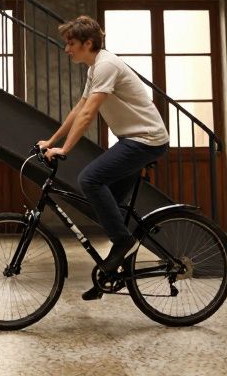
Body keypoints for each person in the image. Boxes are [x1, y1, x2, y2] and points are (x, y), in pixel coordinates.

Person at [38, 15, 169, 297]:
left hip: (145, 140)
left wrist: (65, 150)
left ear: (88, 43)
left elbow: (88, 114)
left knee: (90, 179)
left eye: (71, 43)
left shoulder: (107, 64)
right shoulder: (96, 68)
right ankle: (110, 274)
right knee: (110, 204)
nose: (66, 49)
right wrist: (52, 140)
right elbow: (78, 109)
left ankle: (122, 243)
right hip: (132, 139)